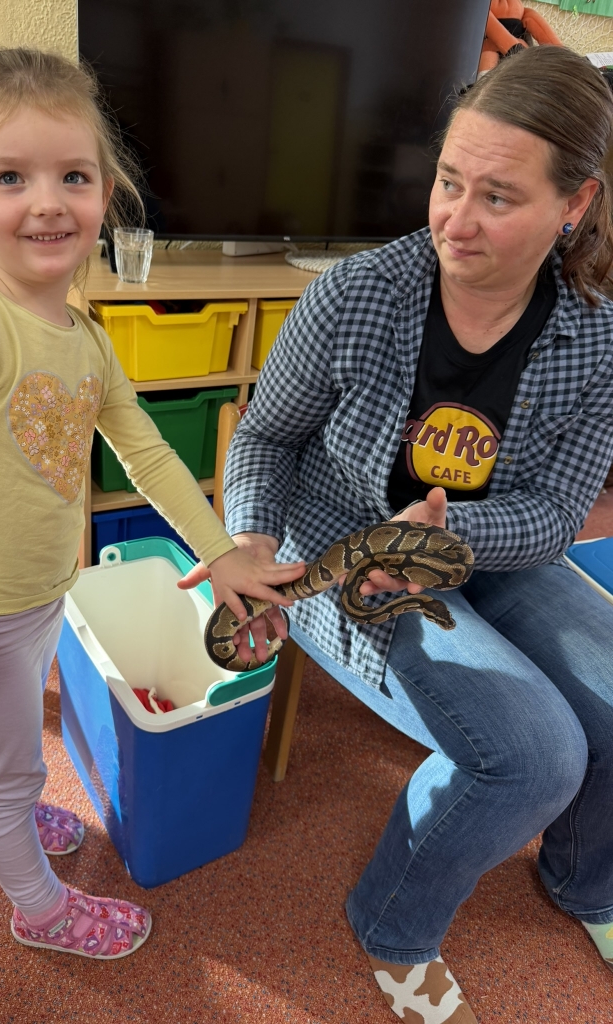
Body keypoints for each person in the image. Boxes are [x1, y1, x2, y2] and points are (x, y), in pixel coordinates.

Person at [184, 45, 613, 1023]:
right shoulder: (357, 294)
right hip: (343, 546)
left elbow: (556, 513)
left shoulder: (597, 336)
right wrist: (250, 538)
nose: (455, 220)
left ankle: (586, 879)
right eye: (449, 181)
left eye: (498, 197)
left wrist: (451, 532)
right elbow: (266, 437)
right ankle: (393, 923)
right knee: (534, 755)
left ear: (575, 203)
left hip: (496, 549)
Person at [0, 49, 303, 962]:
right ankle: (40, 909)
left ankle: (8, 801)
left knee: (11, 743)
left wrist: (220, 550)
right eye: (9, 178)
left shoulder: (85, 336)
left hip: (37, 594)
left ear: (108, 189)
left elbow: (145, 451)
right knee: (9, 768)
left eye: (73, 175)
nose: (48, 202)